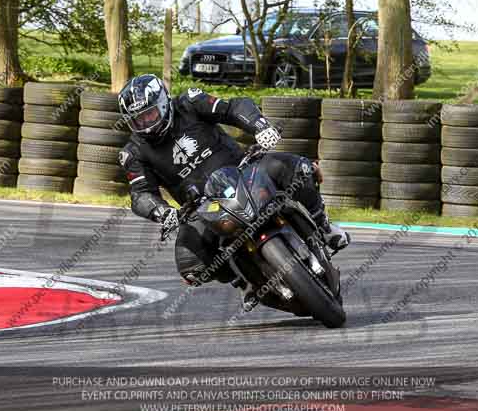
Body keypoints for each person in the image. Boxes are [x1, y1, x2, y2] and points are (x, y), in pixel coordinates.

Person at [117, 74, 350, 301]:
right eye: (138, 120)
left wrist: (260, 127)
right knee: (191, 264)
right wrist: (162, 212)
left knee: (299, 169)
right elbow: (141, 194)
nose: (146, 125)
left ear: (163, 103)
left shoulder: (190, 102)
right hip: (202, 206)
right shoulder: (133, 152)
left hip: (244, 171)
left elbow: (233, 108)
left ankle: (324, 226)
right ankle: (244, 280)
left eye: (150, 115)